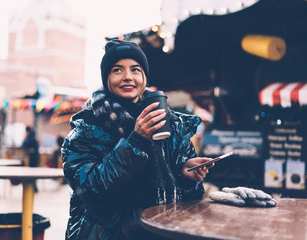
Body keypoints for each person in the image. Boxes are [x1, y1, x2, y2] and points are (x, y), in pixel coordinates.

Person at [61, 40, 215, 240]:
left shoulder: (172, 124)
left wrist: (184, 173)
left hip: (160, 232)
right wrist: (136, 142)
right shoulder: (85, 130)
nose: (128, 77)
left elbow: (186, 200)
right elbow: (93, 192)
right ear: (106, 77)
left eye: (135, 69)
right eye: (117, 70)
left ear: (144, 76)